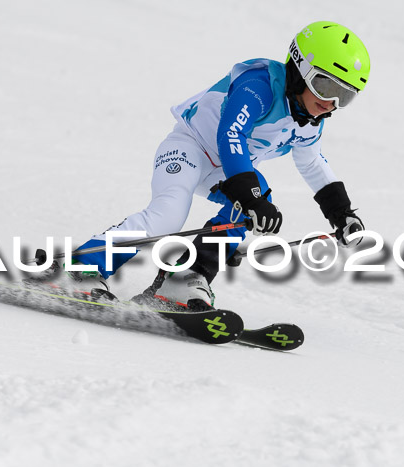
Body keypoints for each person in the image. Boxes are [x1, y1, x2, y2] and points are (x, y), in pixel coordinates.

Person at [68, 20, 370, 310]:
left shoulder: (309, 121)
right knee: (168, 216)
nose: (331, 102)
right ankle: (80, 268)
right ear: (300, 69)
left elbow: (312, 162)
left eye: (345, 96)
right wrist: (249, 196)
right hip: (189, 149)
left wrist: (341, 213)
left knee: (255, 198)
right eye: (325, 86)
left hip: (224, 171)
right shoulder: (260, 85)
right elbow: (231, 133)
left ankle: (183, 279)